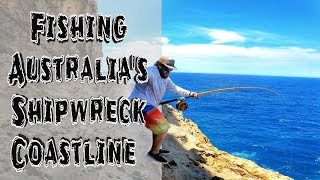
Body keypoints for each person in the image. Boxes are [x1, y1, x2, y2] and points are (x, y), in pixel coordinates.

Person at [129, 56, 199, 164]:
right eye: (166, 68)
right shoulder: (151, 72)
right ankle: (154, 152)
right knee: (163, 126)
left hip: (148, 105)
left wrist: (190, 93)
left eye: (170, 70)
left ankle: (156, 148)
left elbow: (175, 89)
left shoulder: (166, 78)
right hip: (139, 105)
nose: (168, 71)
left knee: (160, 126)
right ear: (159, 65)